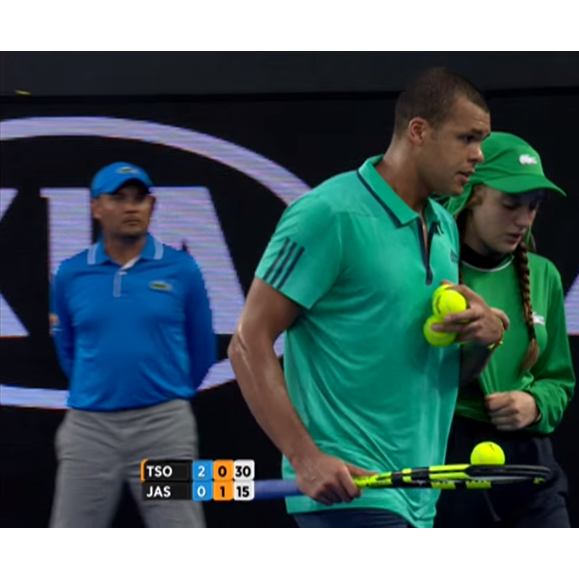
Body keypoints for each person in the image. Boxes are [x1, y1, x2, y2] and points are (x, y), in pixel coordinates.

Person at [228, 67, 506, 529]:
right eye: (467, 139)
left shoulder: (443, 228)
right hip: (352, 493)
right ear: (419, 131)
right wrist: (306, 458)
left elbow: (443, 373)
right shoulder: (328, 214)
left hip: (416, 497)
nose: (479, 156)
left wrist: (482, 340)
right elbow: (246, 342)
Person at [49, 162, 216, 528]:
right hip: (89, 431)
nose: (131, 207)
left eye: (140, 199)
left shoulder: (182, 269)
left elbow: (203, 349)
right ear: (95, 207)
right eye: (118, 197)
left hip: (164, 429)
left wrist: (167, 394)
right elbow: (68, 351)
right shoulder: (70, 274)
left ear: (152, 206)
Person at [433, 132, 575, 528]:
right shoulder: (430, 269)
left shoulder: (543, 275)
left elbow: (558, 380)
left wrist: (535, 405)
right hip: (449, 460)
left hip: (531, 463)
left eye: (534, 207)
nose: (524, 220)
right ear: (474, 195)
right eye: (511, 204)